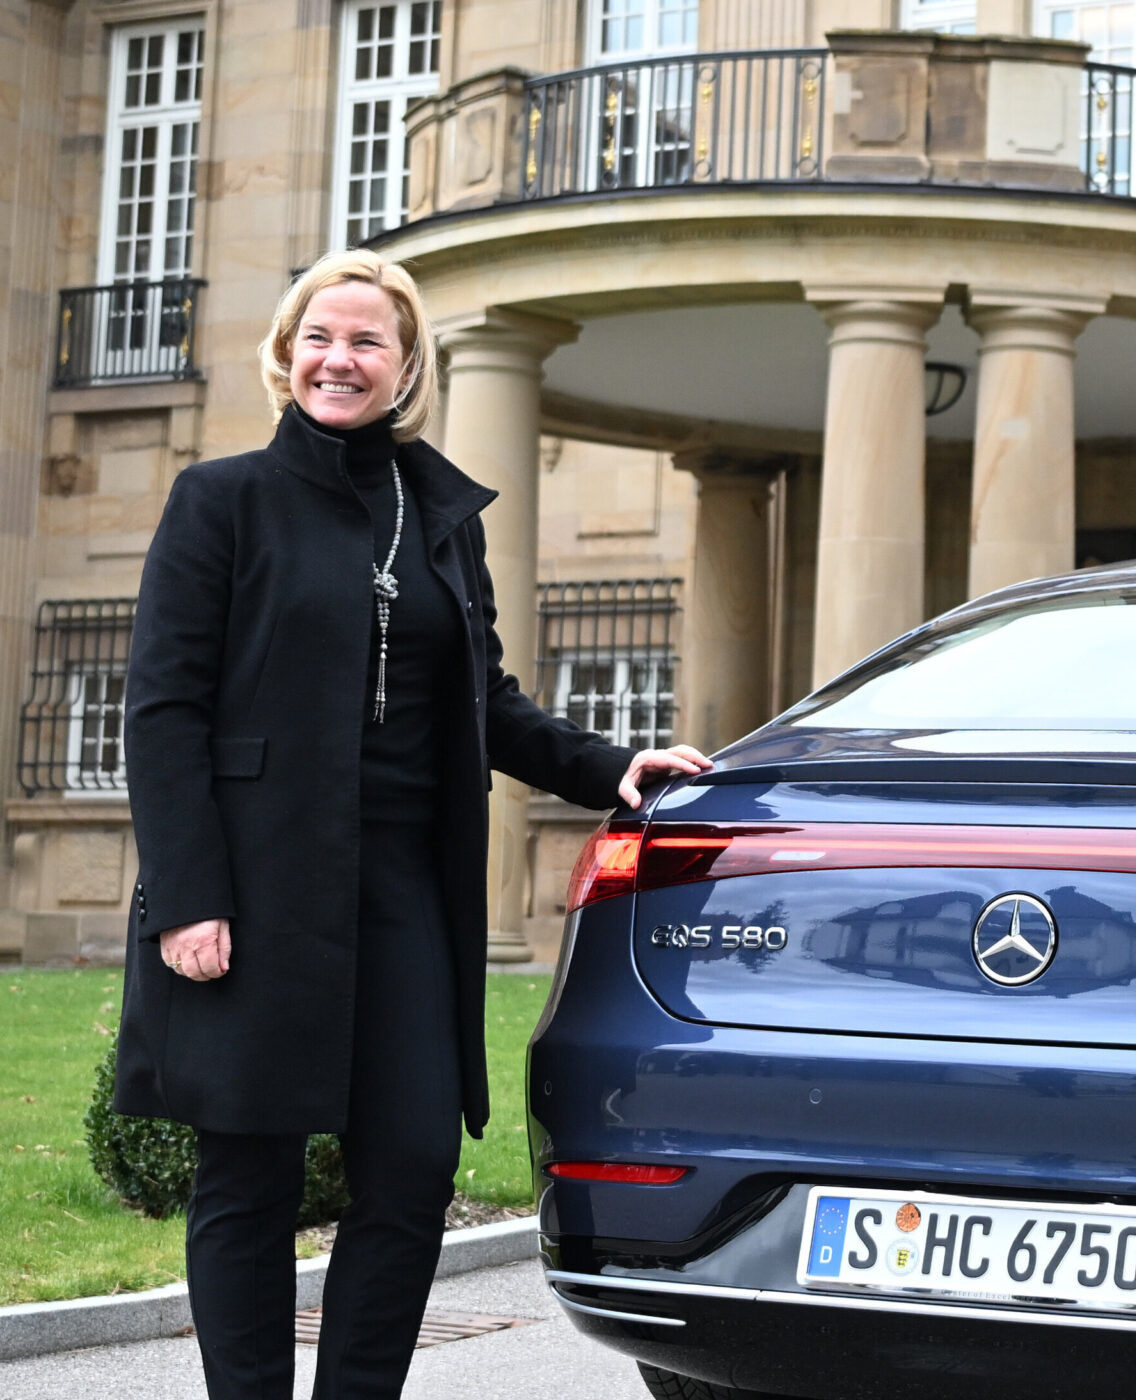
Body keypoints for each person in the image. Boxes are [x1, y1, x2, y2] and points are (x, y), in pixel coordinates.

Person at [112, 248, 710, 1400]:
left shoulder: (437, 513)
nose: (341, 358)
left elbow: (484, 702)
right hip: (256, 885)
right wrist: (189, 894)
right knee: (250, 1174)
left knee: (409, 1166)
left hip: (402, 892)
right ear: (288, 356)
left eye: (368, 341)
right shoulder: (221, 499)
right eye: (321, 338)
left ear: (406, 366)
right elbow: (163, 705)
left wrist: (607, 764)